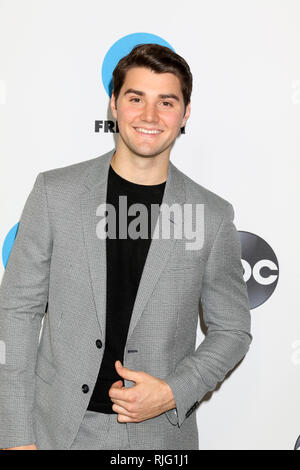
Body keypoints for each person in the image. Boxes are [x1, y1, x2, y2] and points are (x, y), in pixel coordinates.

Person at [0, 43, 252, 450]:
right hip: (55, 434)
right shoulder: (55, 193)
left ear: (185, 113)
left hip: (159, 438)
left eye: (166, 102)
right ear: (114, 104)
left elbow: (233, 329)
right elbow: (16, 313)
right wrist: (14, 436)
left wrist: (172, 391)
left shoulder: (211, 215)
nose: (149, 116)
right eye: (136, 98)